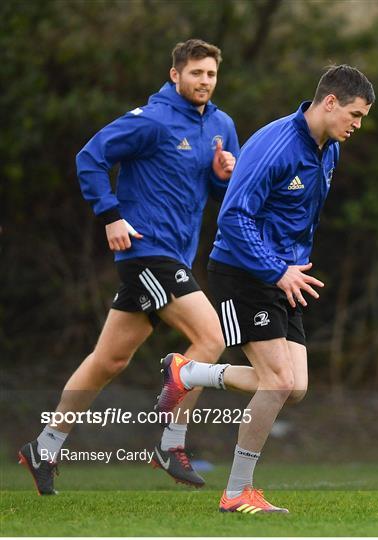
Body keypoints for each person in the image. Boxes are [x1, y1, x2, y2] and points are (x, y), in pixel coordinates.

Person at [18, 38, 245, 495]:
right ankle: (171, 442)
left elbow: (220, 196)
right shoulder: (152, 121)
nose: (204, 81)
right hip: (147, 250)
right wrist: (111, 215)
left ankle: (45, 446)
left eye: (211, 74)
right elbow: (90, 157)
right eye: (196, 73)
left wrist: (224, 178)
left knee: (109, 360)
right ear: (174, 74)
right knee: (211, 337)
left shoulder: (221, 125)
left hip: (175, 254)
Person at [155, 64, 375, 513]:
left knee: (294, 388)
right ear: (329, 102)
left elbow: (296, 216)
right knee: (277, 382)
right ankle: (237, 491)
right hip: (243, 271)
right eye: (354, 114)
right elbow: (234, 217)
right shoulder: (277, 145)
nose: (357, 125)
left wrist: (288, 268)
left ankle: (189, 373)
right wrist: (277, 270)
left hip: (282, 276)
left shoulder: (328, 148)